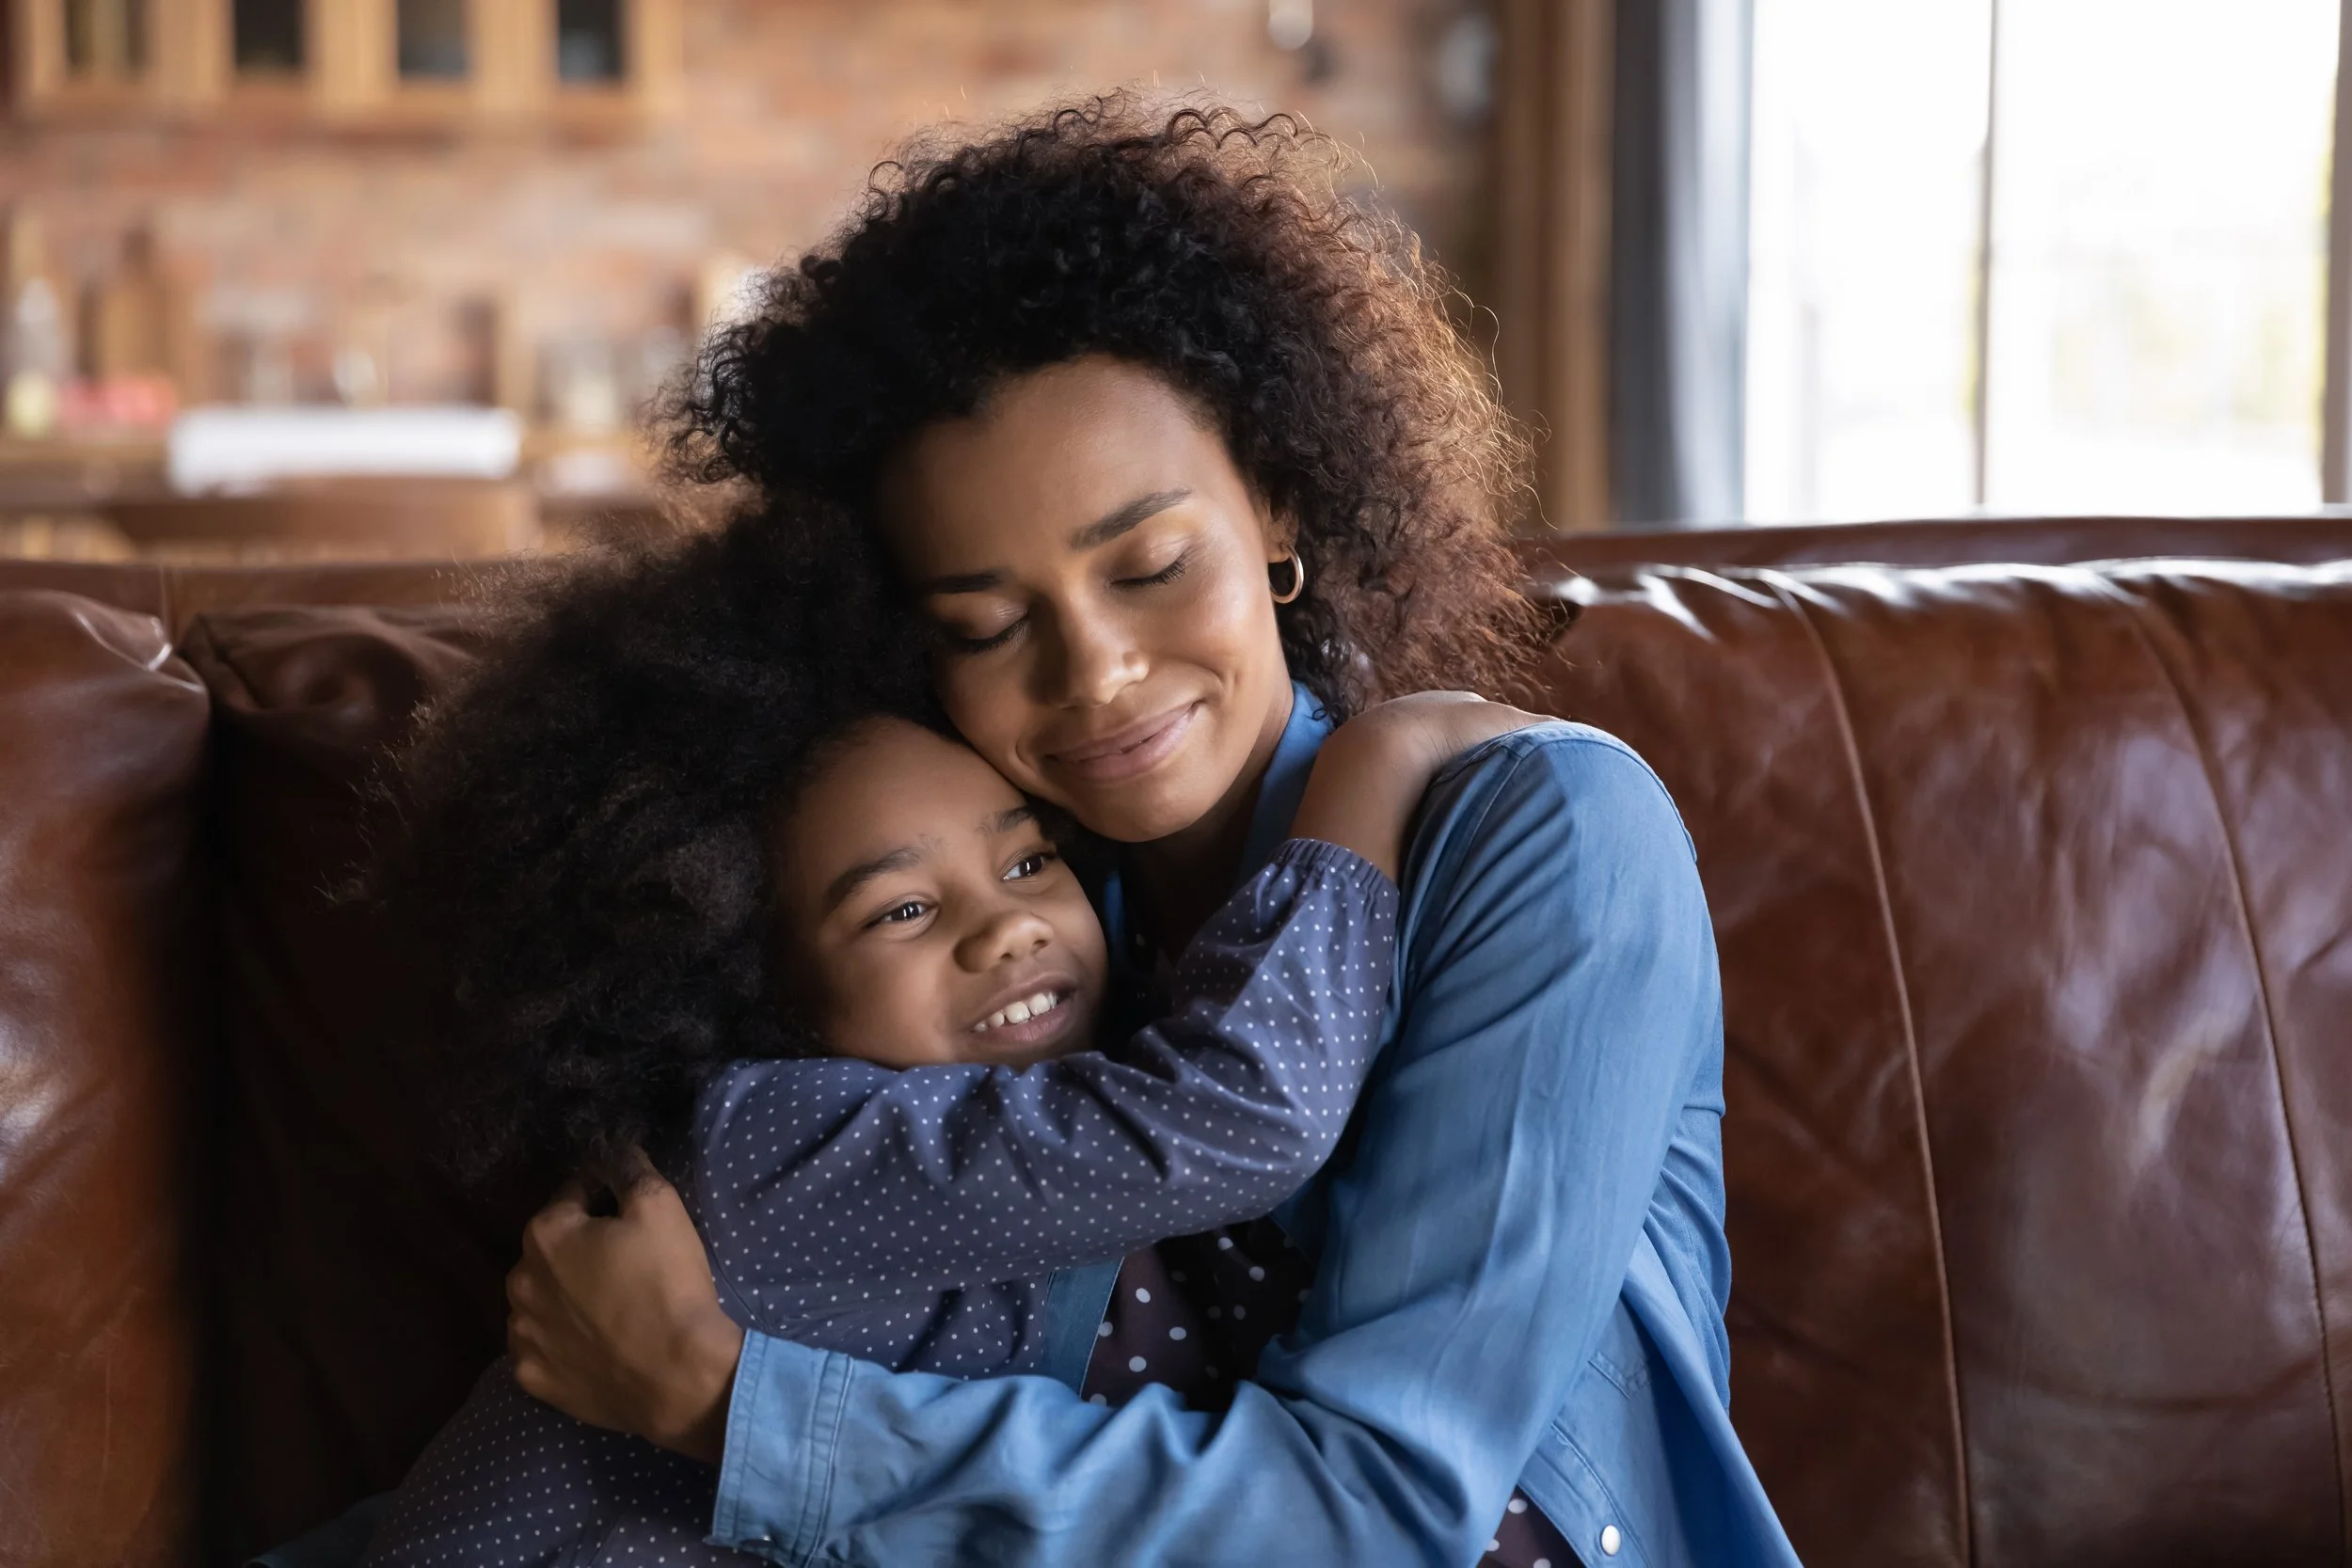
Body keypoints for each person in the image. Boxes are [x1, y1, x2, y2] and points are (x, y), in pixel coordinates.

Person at [498, 96, 1805, 1568]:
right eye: (989, 625)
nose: (1098, 671)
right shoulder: (1006, 921)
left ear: (1278, 504)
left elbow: (1379, 1515)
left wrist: (730, 1409)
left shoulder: (1546, 837)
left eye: (1154, 563)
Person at [360, 516, 1537, 1566]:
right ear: (763, 992)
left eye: (1029, 859)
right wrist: (1371, 767)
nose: (1007, 926)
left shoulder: (1018, 1120)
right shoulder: (755, 1153)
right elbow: (1237, 1117)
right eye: (903, 911)